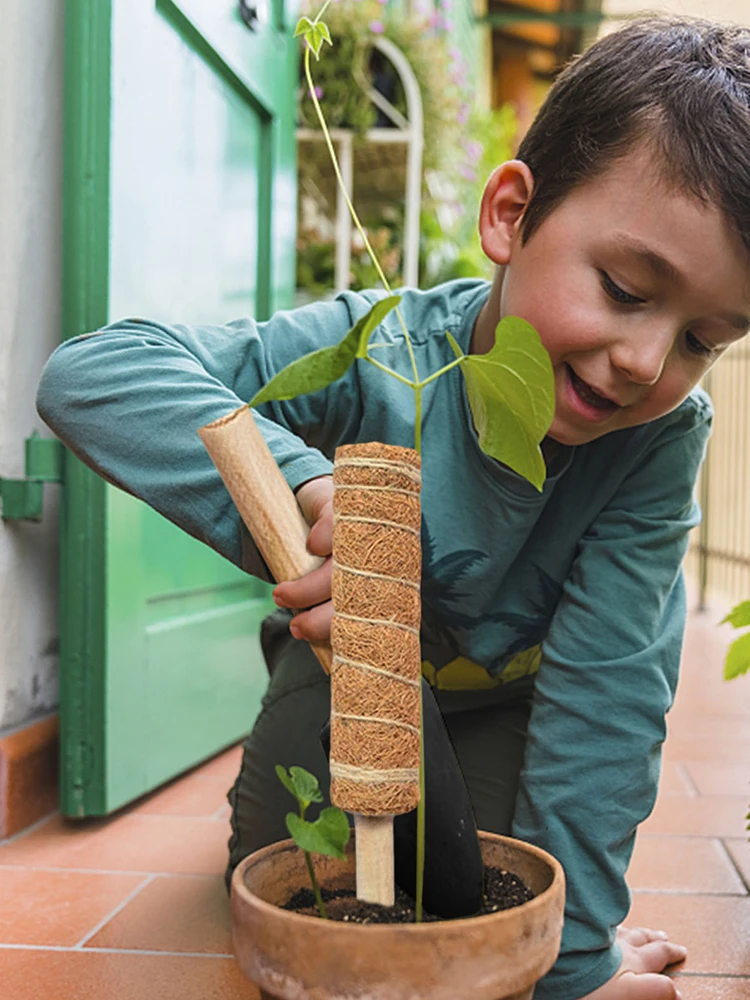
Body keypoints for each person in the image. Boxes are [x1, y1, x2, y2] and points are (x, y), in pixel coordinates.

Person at [36, 16, 750, 1000]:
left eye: (702, 340)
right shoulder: (380, 345)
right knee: (306, 877)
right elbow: (96, 374)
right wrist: (303, 481)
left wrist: (572, 964)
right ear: (510, 215)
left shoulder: (661, 439)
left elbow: (608, 702)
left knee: (479, 890)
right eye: (626, 289)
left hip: (511, 698)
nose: (644, 360)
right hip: (344, 675)